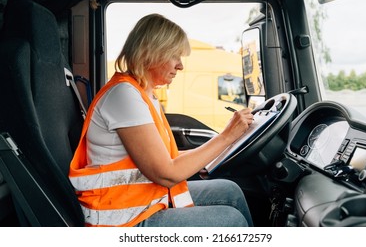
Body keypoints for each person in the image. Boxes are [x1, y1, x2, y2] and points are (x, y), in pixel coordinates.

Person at [69, 13, 254, 227]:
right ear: (150, 53)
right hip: (122, 219)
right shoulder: (124, 96)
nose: (180, 66)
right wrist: (227, 135)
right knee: (230, 221)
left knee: (230, 191)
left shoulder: (144, 94)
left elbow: (163, 157)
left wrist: (206, 158)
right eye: (175, 56)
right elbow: (167, 174)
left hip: (144, 200)